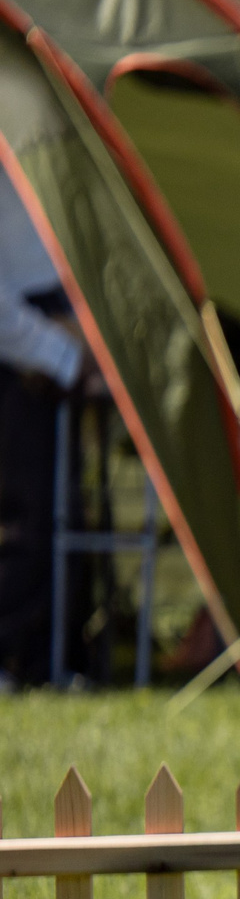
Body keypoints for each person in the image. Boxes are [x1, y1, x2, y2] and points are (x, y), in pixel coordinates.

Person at [0, 174, 87, 688]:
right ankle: (16, 657)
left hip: (45, 338)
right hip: (24, 350)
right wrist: (60, 353)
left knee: (58, 516)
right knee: (25, 519)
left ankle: (48, 659)